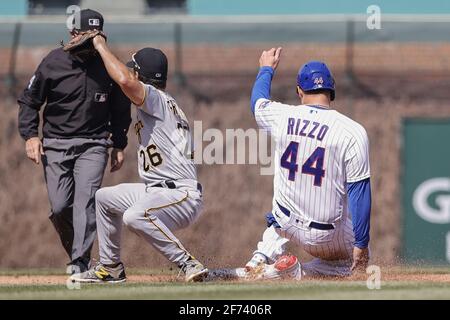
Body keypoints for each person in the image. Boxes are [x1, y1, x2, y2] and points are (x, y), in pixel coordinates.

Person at [70, 37, 207, 283]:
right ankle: (110, 267)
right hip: (157, 190)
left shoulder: (155, 98)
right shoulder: (161, 104)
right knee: (104, 198)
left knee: (134, 216)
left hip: (180, 195)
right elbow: (125, 81)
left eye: (134, 68)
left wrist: (100, 45)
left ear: (141, 74)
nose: (130, 71)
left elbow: (124, 80)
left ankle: (188, 263)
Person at [17, 9, 131, 273]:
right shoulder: (52, 62)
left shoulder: (108, 64)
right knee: (60, 208)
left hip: (94, 145)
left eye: (96, 36)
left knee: (86, 201)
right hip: (56, 145)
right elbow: (29, 101)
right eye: (85, 35)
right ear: (72, 34)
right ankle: (77, 252)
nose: (89, 41)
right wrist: (31, 135)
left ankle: (80, 261)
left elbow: (120, 108)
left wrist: (119, 144)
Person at [244, 48, 372, 279]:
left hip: (287, 226)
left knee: (278, 216)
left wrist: (266, 69)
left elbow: (257, 102)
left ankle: (261, 256)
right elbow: (358, 193)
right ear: (332, 92)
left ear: (299, 91)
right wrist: (361, 246)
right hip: (327, 237)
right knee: (354, 260)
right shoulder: (352, 131)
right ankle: (299, 272)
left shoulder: (282, 116)